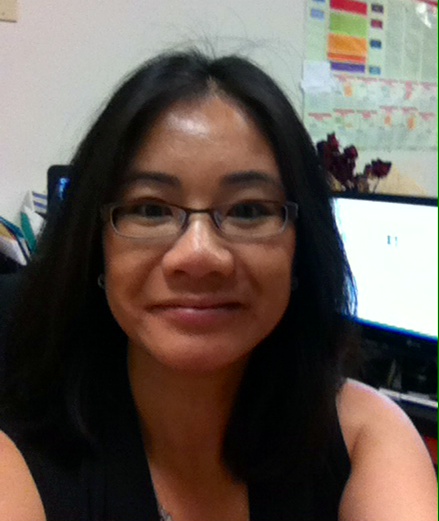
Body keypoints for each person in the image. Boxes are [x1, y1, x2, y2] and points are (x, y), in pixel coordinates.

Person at [0, 50, 436, 521]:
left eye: (248, 210)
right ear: (96, 247)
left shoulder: (365, 436)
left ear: (301, 249)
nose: (199, 256)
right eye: (150, 209)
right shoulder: (19, 461)